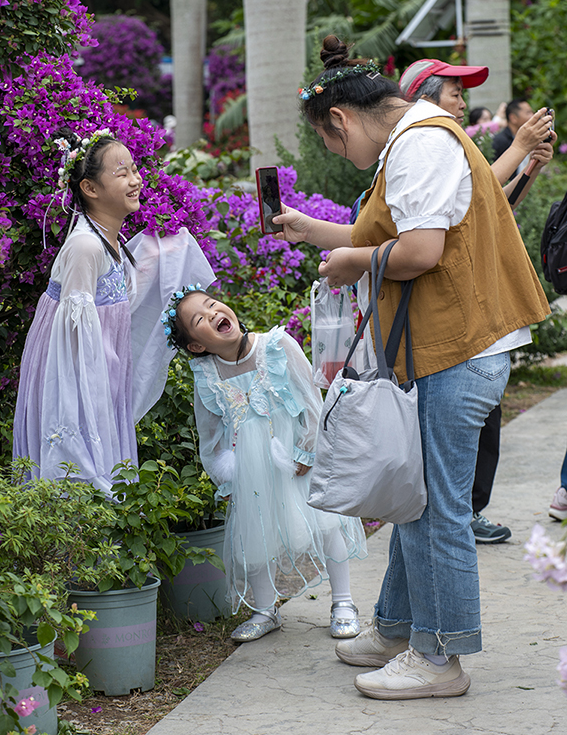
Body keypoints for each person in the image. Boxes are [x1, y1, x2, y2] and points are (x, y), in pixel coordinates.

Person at [274, 35, 550, 700]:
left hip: (458, 350)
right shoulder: (416, 138)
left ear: (339, 120)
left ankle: (439, 656)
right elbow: (386, 236)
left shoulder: (420, 143)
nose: (342, 156)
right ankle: (398, 626)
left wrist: (354, 263)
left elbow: (418, 249)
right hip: (447, 347)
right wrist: (313, 230)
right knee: (415, 498)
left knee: (436, 510)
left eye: (333, 145)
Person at [399, 60, 555, 544]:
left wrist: (527, 164)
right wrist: (521, 147)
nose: (463, 103)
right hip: (451, 332)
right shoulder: (424, 150)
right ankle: (458, 516)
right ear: (423, 99)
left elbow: (492, 204)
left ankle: (470, 510)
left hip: (480, 326)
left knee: (486, 430)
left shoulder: (450, 146)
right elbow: (477, 195)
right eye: (454, 93)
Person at [13, 128, 215, 495]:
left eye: (135, 170)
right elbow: (69, 346)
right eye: (121, 173)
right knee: (80, 479)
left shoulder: (110, 240)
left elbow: (115, 307)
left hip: (98, 379)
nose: (136, 180)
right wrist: (86, 413)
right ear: (90, 188)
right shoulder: (85, 248)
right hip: (78, 386)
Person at [164, 285, 368, 642]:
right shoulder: (208, 376)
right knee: (255, 536)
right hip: (250, 469)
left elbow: (311, 401)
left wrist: (307, 451)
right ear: (197, 345)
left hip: (294, 458)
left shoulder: (276, 345)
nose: (213, 313)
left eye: (212, 305)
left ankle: (344, 603)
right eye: (199, 319)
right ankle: (265, 608)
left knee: (326, 524)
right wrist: (225, 479)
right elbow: (209, 434)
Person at [492, 99, 535, 170]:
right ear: (513, 118)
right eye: (528, 113)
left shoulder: (530, 138)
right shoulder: (499, 142)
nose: (533, 116)